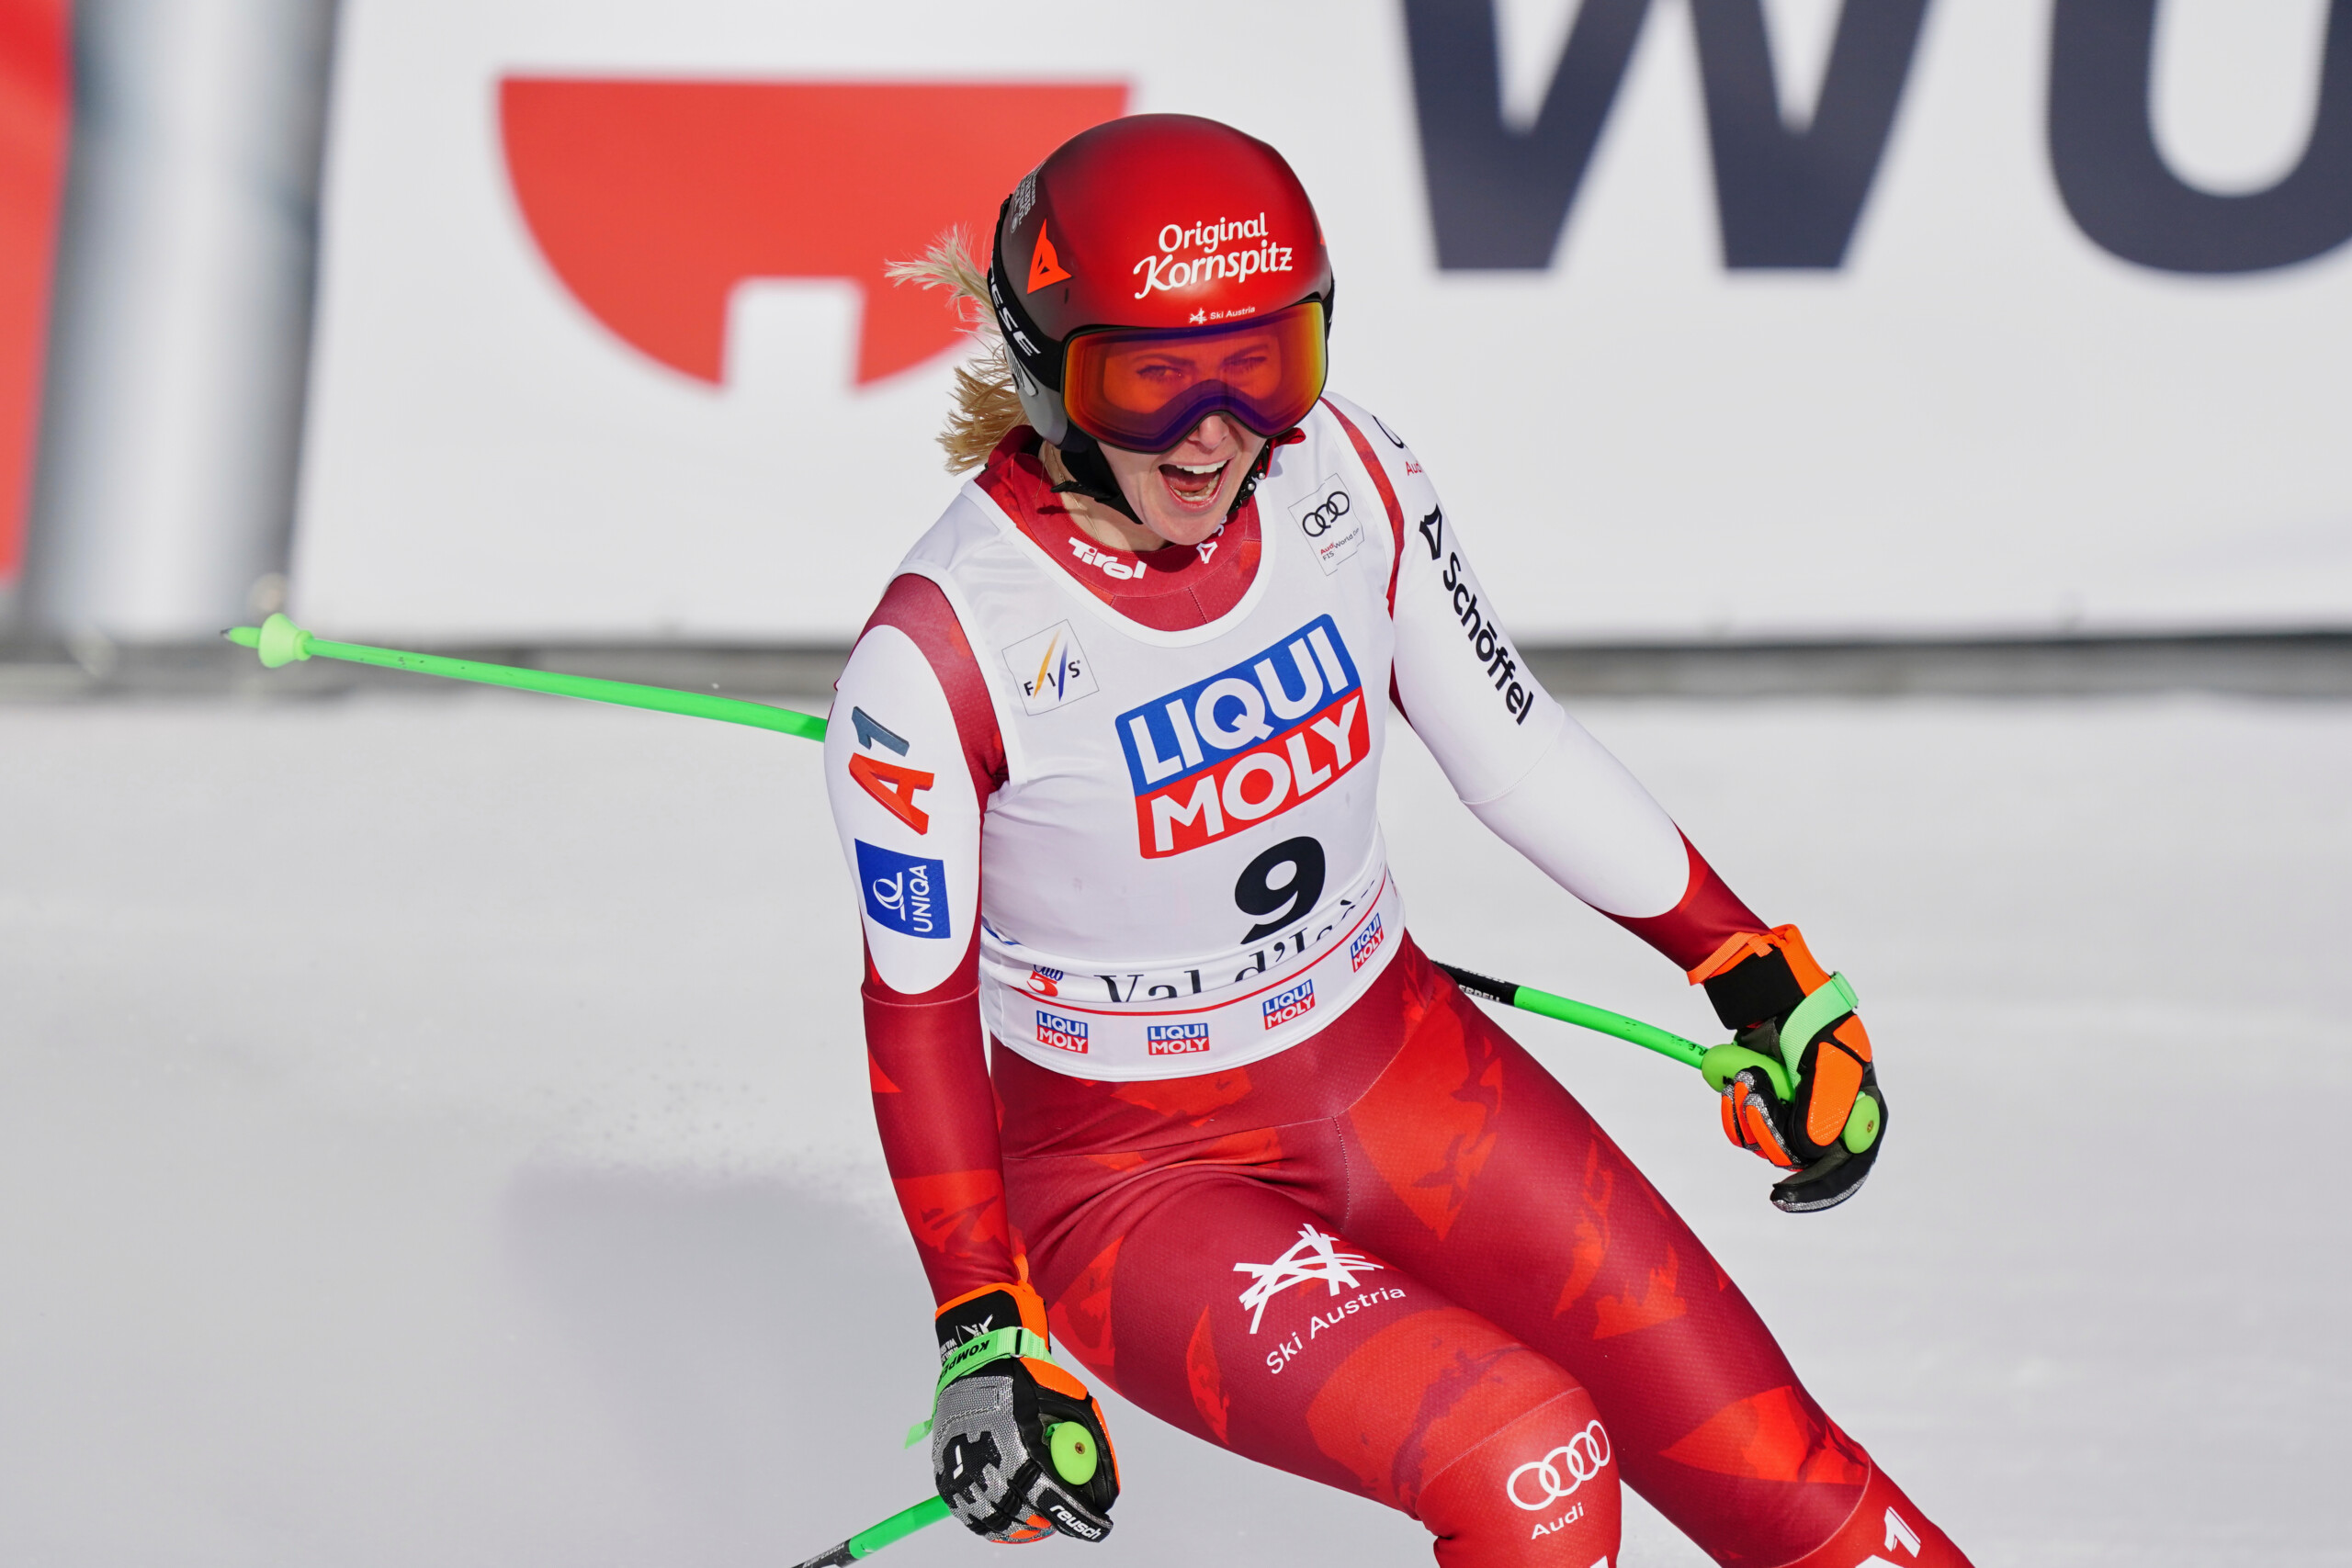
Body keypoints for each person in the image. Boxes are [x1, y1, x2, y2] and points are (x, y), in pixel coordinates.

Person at [824, 114, 1969, 1568]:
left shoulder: (1346, 475)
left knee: (1791, 1483)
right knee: (1528, 1464)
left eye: (1264, 366)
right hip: (1135, 1187)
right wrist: (982, 1323)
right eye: (1151, 380)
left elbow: (1514, 746)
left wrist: (1745, 966)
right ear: (1048, 366)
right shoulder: (938, 654)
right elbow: (913, 1010)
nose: (1216, 432)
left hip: (1408, 1076)